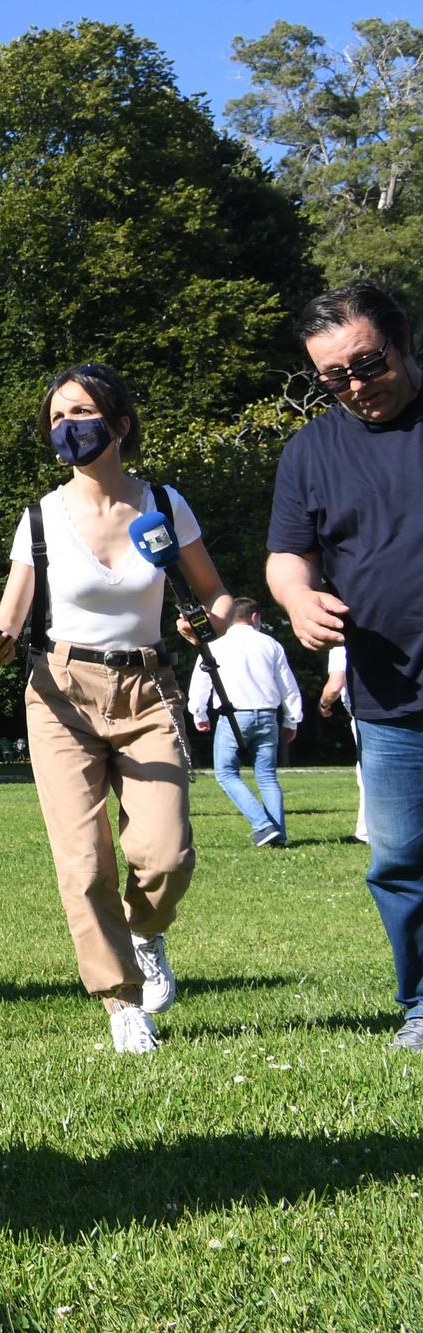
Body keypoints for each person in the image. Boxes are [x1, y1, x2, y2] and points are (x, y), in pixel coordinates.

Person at [0, 363, 232, 1055]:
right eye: (57, 418)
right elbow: (8, 621)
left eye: (79, 413)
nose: (67, 427)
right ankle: (121, 1001)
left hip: (148, 689)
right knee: (84, 864)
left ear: (119, 423)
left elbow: (217, 595)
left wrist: (208, 620)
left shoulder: (164, 505)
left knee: (166, 855)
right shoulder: (40, 518)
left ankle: (146, 932)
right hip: (60, 694)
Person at [267, 281, 423, 1052]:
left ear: (404, 341)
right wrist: (298, 598)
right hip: (389, 695)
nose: (357, 386)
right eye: (335, 378)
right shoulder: (311, 452)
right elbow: (286, 556)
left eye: (368, 364)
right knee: (399, 861)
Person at [188, 598, 303, 847]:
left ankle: (263, 825)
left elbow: (201, 682)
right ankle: (278, 833)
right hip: (268, 714)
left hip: (234, 715)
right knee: (267, 776)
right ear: (254, 617)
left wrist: (199, 713)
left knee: (226, 773)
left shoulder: (215, 645)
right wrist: (292, 720)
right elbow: (288, 686)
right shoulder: (271, 644)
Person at [320, 645, 370, 845]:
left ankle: (366, 832)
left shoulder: (341, 645)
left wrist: (324, 703)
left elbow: (335, 685)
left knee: (368, 774)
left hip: (368, 716)